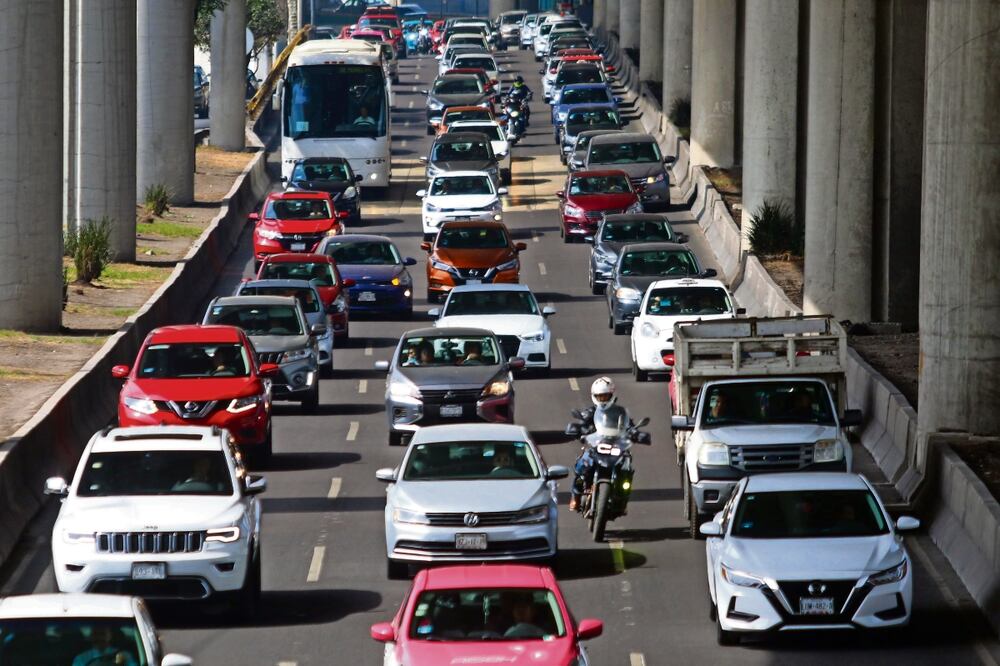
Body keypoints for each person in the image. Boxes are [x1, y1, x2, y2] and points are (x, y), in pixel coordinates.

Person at [72, 625, 136, 666]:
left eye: (103, 634)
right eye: (96, 634)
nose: (100, 637)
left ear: (110, 635)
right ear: (91, 636)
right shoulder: (81, 659)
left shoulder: (124, 655)